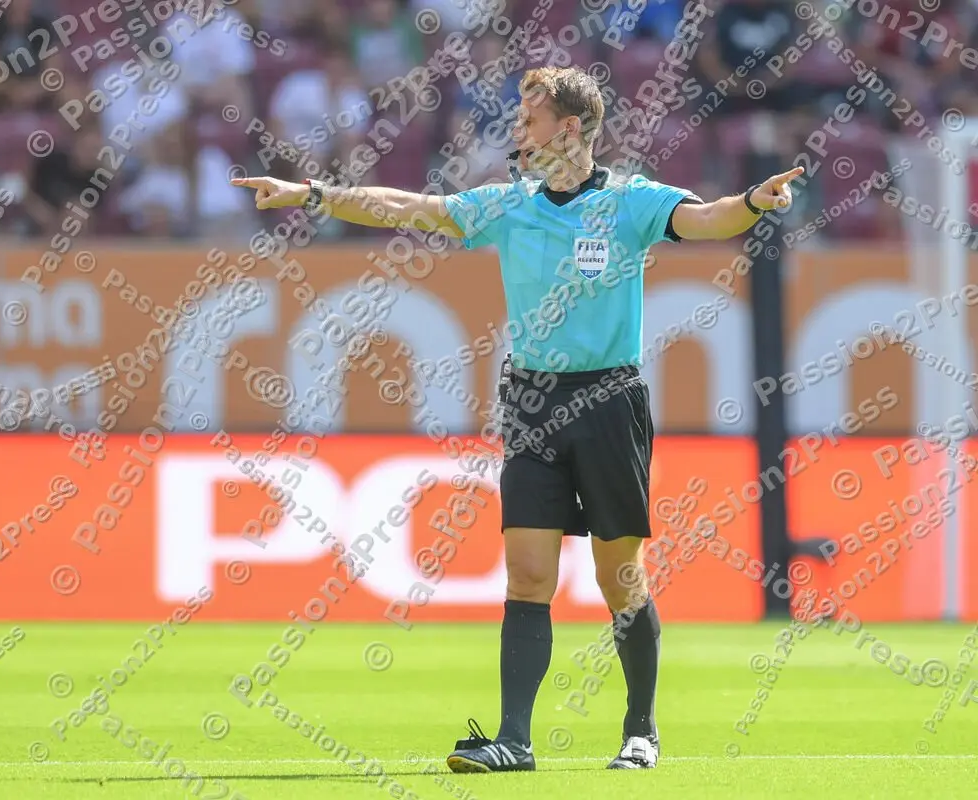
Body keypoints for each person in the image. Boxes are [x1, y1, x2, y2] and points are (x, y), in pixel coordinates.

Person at [230, 65, 801, 772]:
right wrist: (313, 193)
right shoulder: (509, 205)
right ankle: (514, 740)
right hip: (531, 404)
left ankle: (640, 729)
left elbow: (710, 218)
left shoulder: (630, 202)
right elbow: (408, 207)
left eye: (528, 121)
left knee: (619, 577)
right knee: (528, 575)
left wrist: (755, 199)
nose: (517, 133)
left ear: (567, 128)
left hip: (609, 401)